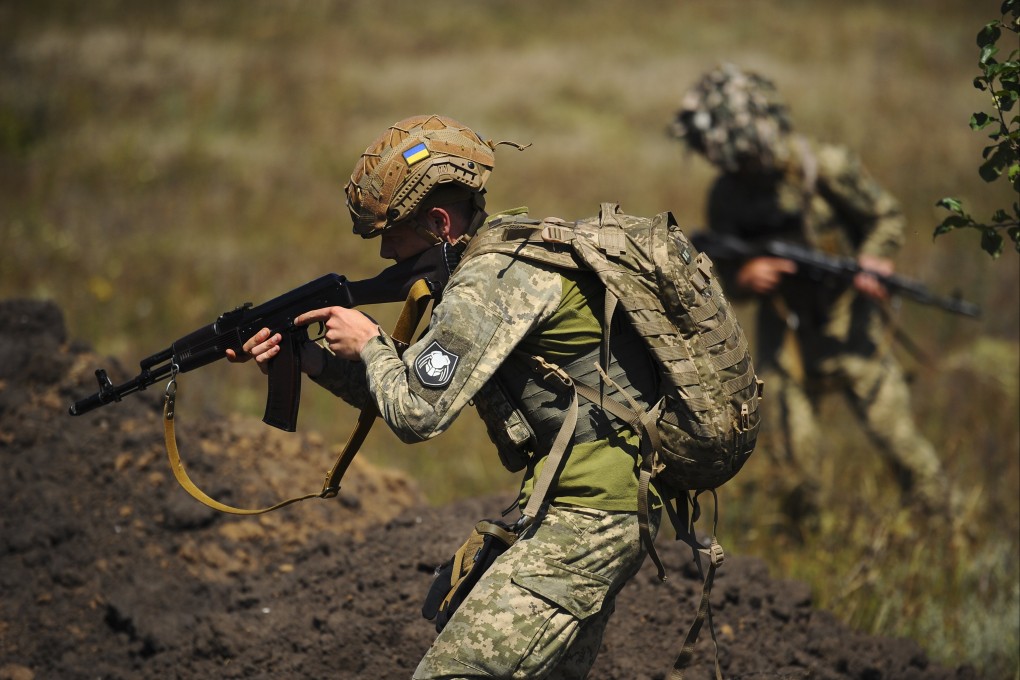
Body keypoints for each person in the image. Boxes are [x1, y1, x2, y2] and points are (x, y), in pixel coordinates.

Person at [227, 114, 662, 679]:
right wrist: (310, 360)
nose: (385, 253)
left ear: (438, 222)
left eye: (392, 234)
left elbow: (415, 414)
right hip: (591, 503)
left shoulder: (490, 282)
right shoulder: (501, 255)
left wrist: (370, 343)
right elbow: (411, 384)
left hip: (591, 513)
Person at [667, 64, 951, 524]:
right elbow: (719, 274)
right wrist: (747, 277)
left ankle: (940, 525)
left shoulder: (825, 167)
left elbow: (886, 217)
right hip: (786, 332)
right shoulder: (727, 195)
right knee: (793, 456)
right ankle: (804, 537)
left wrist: (875, 259)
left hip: (850, 324)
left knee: (897, 437)